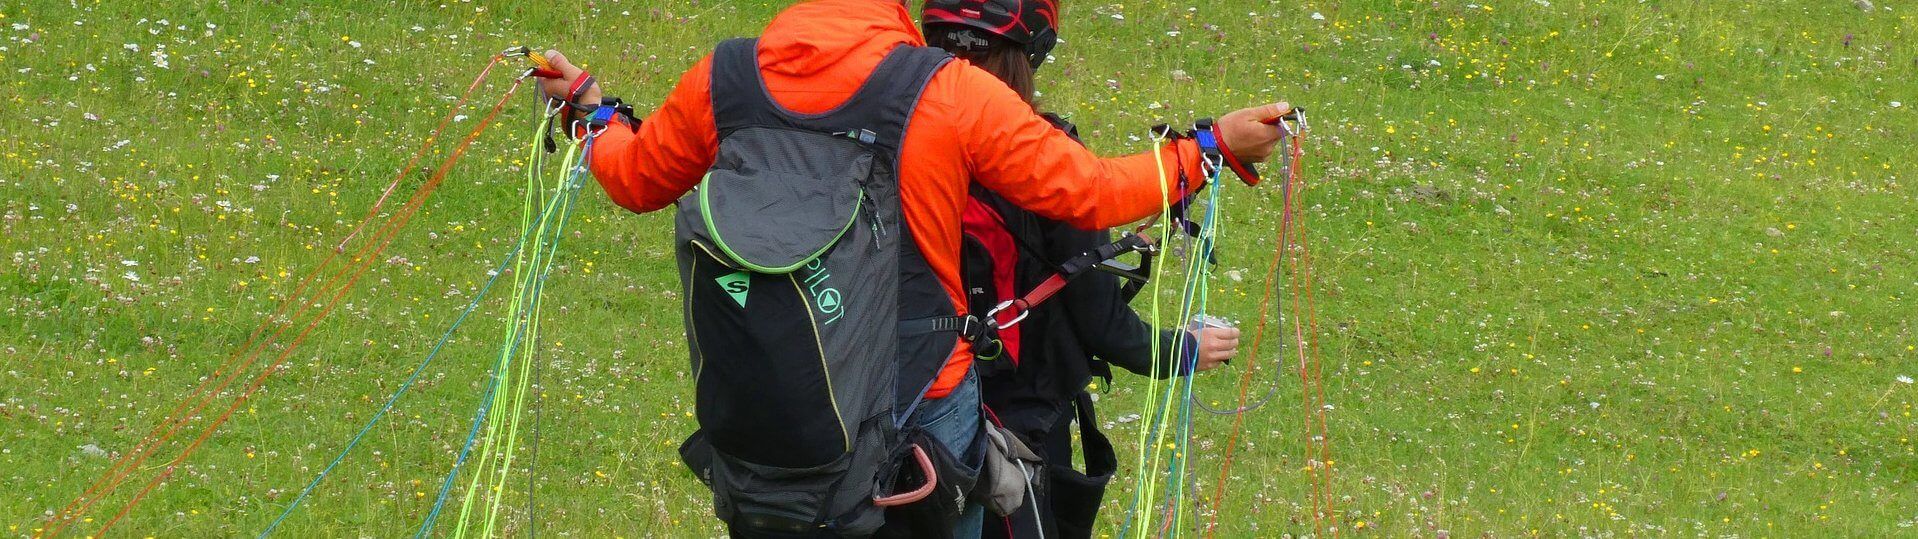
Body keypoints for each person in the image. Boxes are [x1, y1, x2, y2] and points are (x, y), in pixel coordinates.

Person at [535, 0, 1289, 536]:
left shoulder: (724, 77)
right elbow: (1090, 191)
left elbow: (634, 178)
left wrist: (589, 110)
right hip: (920, 411)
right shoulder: (947, 92)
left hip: (772, 408)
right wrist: (1210, 147)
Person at [921, 2, 1240, 537]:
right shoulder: (1043, 154)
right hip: (1015, 429)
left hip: (903, 414)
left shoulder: (893, 141)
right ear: (1033, 50)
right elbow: (1100, 321)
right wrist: (1182, 350)